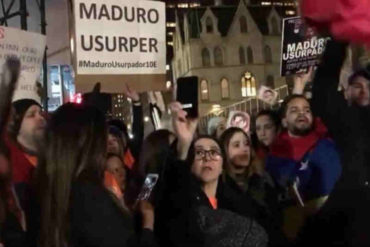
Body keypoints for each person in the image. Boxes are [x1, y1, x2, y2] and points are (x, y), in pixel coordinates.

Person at [37, 103, 156, 247]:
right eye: (104, 139)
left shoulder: (48, 191)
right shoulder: (93, 200)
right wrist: (147, 225)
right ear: (91, 144)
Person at [156, 102, 268, 247]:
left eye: (214, 152)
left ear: (223, 164)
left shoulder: (239, 202)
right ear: (189, 163)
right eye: (199, 152)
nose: (207, 157)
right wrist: (183, 144)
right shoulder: (180, 200)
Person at [305, 40, 370, 246]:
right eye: (357, 86)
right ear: (346, 91)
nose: (364, 91)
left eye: (369, 86)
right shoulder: (345, 120)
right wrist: (340, 37)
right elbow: (324, 88)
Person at [266, 94, 342, 242]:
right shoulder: (275, 158)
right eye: (294, 110)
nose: (302, 113)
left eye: (307, 110)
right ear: (284, 121)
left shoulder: (328, 143)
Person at [219, 127, 285, 247]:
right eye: (236, 145)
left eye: (246, 144)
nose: (244, 149)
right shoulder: (219, 188)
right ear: (224, 151)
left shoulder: (262, 181)